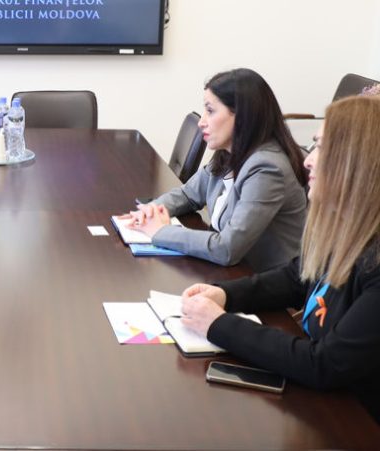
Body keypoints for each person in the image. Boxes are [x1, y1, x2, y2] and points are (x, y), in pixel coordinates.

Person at [181, 95, 380, 422]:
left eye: (322, 148)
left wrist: (218, 324)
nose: (308, 161)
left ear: (357, 163)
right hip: (326, 405)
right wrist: (225, 294)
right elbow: (296, 278)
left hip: (358, 423)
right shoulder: (348, 230)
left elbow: (324, 364)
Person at [120, 68, 307, 272]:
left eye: (210, 111)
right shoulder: (229, 152)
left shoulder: (267, 169)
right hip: (231, 272)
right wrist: (151, 211)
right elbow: (188, 194)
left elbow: (227, 248)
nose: (202, 122)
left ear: (242, 116)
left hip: (261, 280)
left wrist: (160, 232)